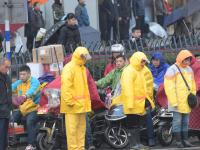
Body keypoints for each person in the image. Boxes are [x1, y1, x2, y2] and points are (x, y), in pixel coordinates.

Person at [120, 52, 155, 150]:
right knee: (132, 125)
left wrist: (147, 100)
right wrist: (130, 104)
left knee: (136, 125)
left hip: (139, 104)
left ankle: (137, 144)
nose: (143, 63)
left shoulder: (139, 70)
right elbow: (128, 89)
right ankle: (134, 145)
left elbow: (145, 87)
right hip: (132, 104)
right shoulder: (129, 71)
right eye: (142, 61)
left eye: (144, 61)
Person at [60, 47, 92, 150]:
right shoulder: (70, 67)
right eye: (84, 57)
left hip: (80, 105)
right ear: (81, 56)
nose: (86, 59)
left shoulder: (82, 68)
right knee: (73, 131)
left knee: (80, 130)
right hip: (73, 106)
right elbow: (66, 86)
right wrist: (70, 101)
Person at [164, 50, 196, 148]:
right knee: (177, 121)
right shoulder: (172, 69)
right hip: (177, 102)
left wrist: (193, 96)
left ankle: (185, 140)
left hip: (186, 101)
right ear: (181, 59)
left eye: (189, 59)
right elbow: (169, 87)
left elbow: (193, 84)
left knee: (185, 121)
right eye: (186, 59)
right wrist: (174, 101)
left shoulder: (189, 69)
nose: (188, 61)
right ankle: (178, 141)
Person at [12, 65, 41, 150]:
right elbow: (10, 87)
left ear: (29, 74)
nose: (21, 76)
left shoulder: (35, 82)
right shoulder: (19, 82)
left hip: (34, 109)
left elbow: (31, 91)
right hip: (23, 109)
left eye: (23, 74)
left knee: (30, 121)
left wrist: (24, 96)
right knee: (11, 120)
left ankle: (32, 145)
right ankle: (13, 141)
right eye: (20, 74)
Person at [0, 58, 11, 150]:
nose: (7, 69)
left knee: (4, 135)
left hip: (6, 110)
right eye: (6, 67)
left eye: (9, 67)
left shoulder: (7, 77)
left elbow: (9, 93)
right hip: (1, 110)